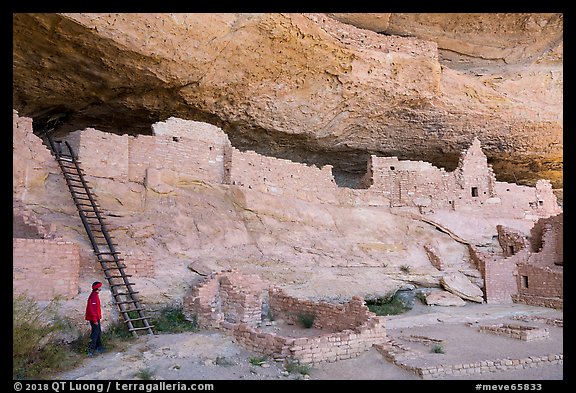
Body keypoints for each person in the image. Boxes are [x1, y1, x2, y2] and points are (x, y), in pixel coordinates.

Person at [85, 281, 105, 356]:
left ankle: (99, 347)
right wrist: (95, 319)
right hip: (94, 318)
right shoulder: (93, 296)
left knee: (98, 332)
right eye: (100, 287)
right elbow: (92, 309)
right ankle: (90, 350)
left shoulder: (95, 295)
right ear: (97, 288)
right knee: (95, 333)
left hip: (96, 318)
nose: (101, 288)